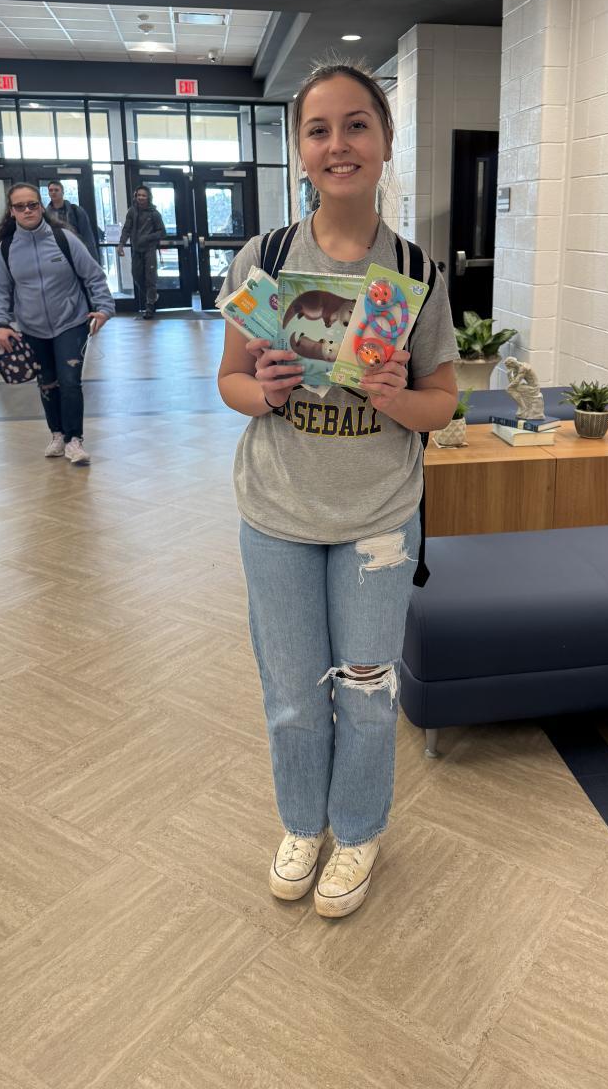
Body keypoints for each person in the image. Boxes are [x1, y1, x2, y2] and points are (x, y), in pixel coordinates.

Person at [217, 62, 458, 919]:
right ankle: (301, 824)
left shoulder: (416, 272)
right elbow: (230, 383)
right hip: (277, 512)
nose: (338, 144)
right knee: (291, 696)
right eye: (319, 130)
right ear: (300, 150)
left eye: (357, 124)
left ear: (386, 141)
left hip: (378, 521)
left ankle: (356, 829)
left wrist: (397, 398)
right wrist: (266, 390)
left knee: (367, 690)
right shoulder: (267, 259)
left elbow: (442, 400)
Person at [0, 183, 115, 465]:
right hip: (32, 327)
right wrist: (1, 323)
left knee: (69, 381)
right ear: (12, 211)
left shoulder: (64, 239)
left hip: (71, 322)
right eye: (20, 206)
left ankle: (74, 440)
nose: (27, 210)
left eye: (32, 204)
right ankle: (57, 434)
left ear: (41, 206)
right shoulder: (6, 249)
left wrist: (104, 308)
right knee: (47, 383)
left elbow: (93, 275)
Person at [116, 185, 165, 319]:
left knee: (150, 278)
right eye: (139, 195)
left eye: (144, 195)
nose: (141, 198)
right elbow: (126, 229)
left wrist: (147, 238)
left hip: (149, 249)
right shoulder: (132, 212)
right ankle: (153, 296)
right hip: (136, 250)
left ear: (148, 197)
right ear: (135, 197)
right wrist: (121, 244)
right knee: (136, 275)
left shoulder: (154, 213)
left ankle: (149, 306)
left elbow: (162, 232)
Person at [45, 181, 100, 262]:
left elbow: (87, 235)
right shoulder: (45, 215)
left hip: (77, 252)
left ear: (62, 192)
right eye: (50, 190)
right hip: (57, 255)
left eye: (56, 190)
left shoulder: (76, 211)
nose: (53, 192)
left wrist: (93, 259)